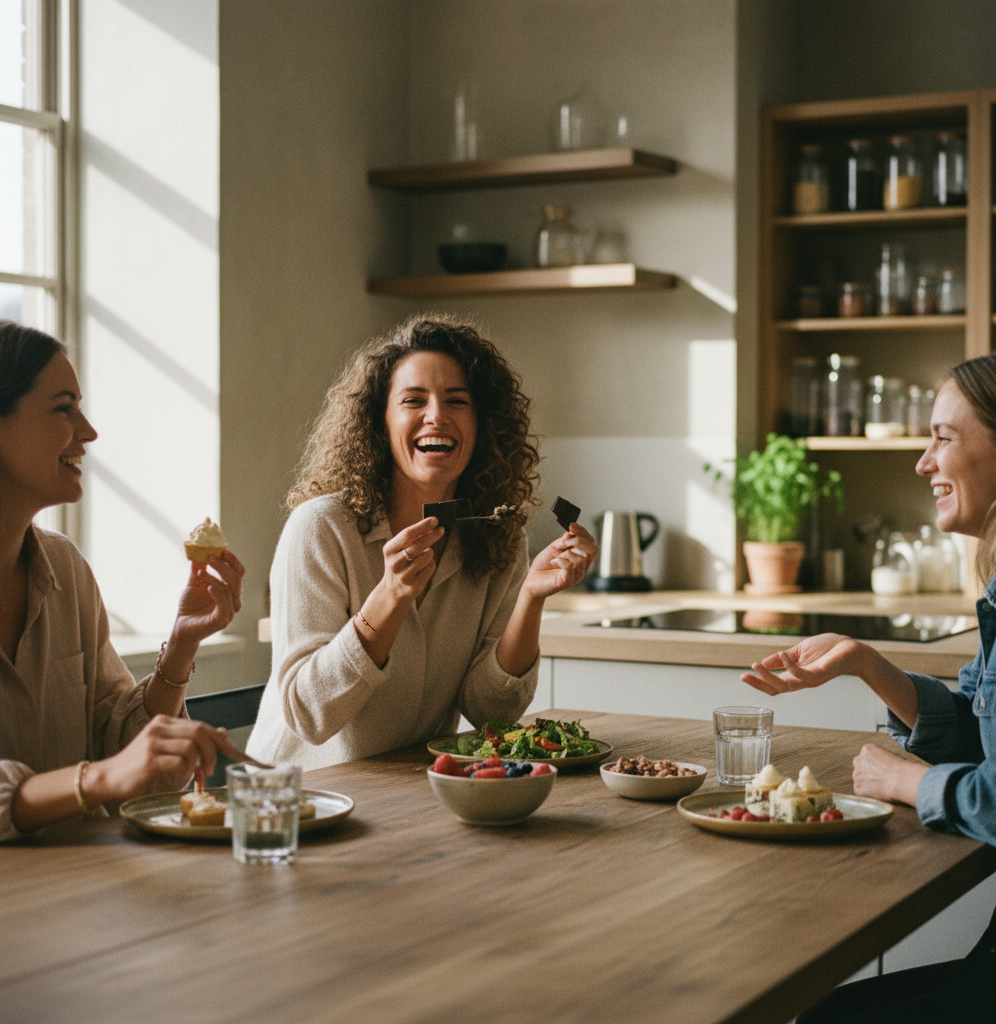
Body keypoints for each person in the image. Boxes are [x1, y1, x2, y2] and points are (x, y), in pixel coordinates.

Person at [741, 349, 996, 1022]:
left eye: (944, 438)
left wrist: (904, 782)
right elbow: (995, 737)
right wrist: (867, 664)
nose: (924, 462)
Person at [247, 315, 598, 768]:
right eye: (413, 400)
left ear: (483, 422)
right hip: (297, 801)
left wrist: (530, 597)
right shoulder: (320, 528)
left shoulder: (498, 539)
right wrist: (389, 597)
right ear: (380, 421)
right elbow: (308, 714)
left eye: (457, 400)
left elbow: (493, 712)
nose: (437, 416)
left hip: (411, 796)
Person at [0, 320, 246, 841]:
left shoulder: (66, 570)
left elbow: (121, 753)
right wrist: (98, 779)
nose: (87, 432)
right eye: (63, 408)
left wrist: (181, 644)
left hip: (84, 890)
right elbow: (109, 774)